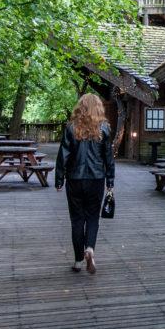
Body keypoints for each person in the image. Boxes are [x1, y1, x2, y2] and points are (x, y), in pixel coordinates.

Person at [55, 93, 115, 274]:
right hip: (96, 179)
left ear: (80, 107)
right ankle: (90, 248)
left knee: (77, 220)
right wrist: (110, 181)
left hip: (75, 179)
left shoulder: (71, 128)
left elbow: (62, 155)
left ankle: (78, 260)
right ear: (98, 107)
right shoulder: (104, 128)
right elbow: (108, 158)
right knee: (92, 218)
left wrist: (59, 179)